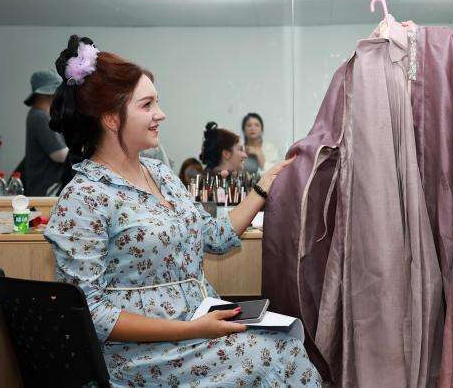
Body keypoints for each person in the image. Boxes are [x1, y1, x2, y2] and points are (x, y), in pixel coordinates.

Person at [44, 35, 320, 387]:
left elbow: (215, 237)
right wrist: (192, 329)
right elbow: (90, 314)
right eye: (147, 105)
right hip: (140, 355)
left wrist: (264, 185)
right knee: (274, 355)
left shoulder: (160, 174)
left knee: (286, 344)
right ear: (111, 118)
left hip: (196, 331)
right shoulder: (84, 197)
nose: (160, 114)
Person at [24, 70, 69, 195]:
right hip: (46, 191)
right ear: (49, 94)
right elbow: (59, 155)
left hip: (43, 189)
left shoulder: (39, 115)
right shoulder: (40, 116)